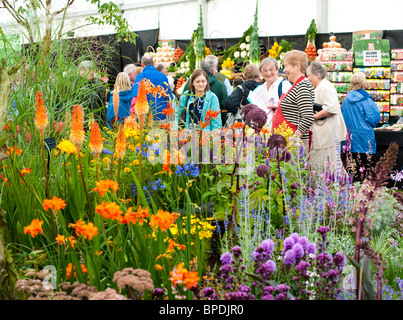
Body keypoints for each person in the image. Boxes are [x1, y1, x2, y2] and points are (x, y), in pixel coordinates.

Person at [306, 61, 347, 172]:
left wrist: (311, 117)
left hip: (328, 135)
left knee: (331, 166)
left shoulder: (326, 87)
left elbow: (331, 108)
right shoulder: (320, 86)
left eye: (309, 76)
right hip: (324, 135)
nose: (308, 79)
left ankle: (340, 186)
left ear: (317, 75)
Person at [272, 50, 315, 151]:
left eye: (286, 66)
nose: (284, 70)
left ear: (297, 65)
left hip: (292, 146)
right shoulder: (298, 85)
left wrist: (293, 139)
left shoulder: (302, 86)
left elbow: (308, 117)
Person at [341, 71, 380, 180]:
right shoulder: (366, 100)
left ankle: (351, 191)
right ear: (363, 85)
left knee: (351, 169)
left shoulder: (346, 100)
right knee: (365, 168)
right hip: (364, 138)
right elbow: (374, 118)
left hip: (349, 138)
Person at [248, 57, 292, 129]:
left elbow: (292, 108)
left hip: (280, 131)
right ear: (261, 73)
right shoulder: (260, 89)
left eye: (271, 70)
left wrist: (277, 107)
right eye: (265, 71)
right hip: (262, 132)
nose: (268, 73)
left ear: (277, 70)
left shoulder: (285, 86)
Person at [132, 54, 172, 121]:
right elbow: (169, 98)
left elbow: (136, 98)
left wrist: (133, 115)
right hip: (162, 116)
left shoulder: (140, 77)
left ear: (142, 64)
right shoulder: (163, 76)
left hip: (146, 118)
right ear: (153, 63)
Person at [77, 60, 107, 127]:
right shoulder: (76, 85)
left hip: (94, 121)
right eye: (80, 70)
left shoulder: (98, 86)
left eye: (84, 70)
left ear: (92, 71)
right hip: (79, 121)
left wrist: (103, 125)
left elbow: (102, 108)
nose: (81, 72)